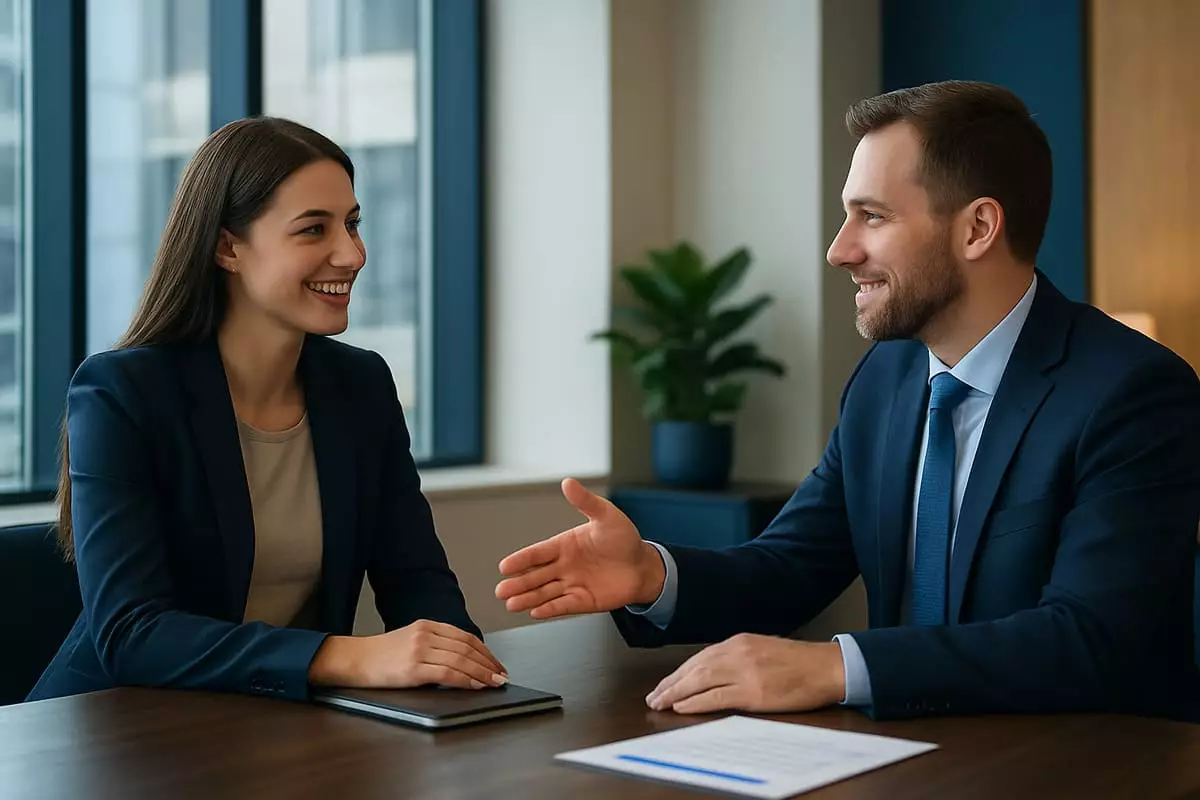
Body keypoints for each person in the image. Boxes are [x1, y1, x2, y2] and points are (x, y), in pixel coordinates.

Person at [496, 81, 1200, 720]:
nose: (839, 250)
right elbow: (790, 568)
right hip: (908, 758)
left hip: (1093, 767)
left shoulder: (1133, 393)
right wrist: (650, 574)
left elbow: (1086, 640)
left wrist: (835, 665)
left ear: (977, 229)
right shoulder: (885, 380)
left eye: (871, 216)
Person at [29, 117, 506, 703]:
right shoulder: (121, 392)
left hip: (271, 723)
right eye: (313, 230)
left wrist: (461, 666)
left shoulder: (360, 385)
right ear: (228, 246)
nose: (352, 254)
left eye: (353, 224)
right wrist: (347, 654)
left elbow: (416, 579)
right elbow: (133, 635)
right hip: (113, 734)